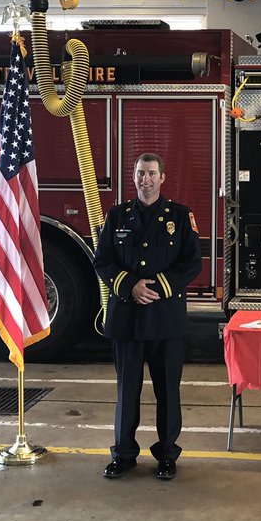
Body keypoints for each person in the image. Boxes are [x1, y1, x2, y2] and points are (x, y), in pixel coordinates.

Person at [93, 153, 202, 480]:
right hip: (126, 319)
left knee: (168, 390)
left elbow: (193, 263)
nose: (146, 179)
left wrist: (158, 287)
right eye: (141, 173)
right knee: (127, 390)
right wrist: (129, 286)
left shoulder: (181, 217)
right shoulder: (117, 216)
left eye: (152, 173)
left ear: (162, 177)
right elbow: (102, 261)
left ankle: (167, 455)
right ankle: (123, 454)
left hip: (165, 318)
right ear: (135, 176)